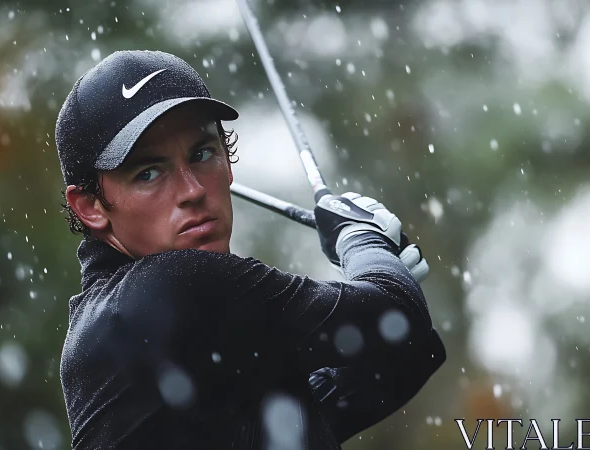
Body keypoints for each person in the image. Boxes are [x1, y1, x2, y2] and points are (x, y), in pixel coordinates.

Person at [55, 49, 446, 450]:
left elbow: (400, 358)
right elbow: (397, 319)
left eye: (201, 154)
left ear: (227, 160)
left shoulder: (123, 321)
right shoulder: (172, 287)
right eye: (148, 173)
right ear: (90, 206)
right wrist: (361, 241)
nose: (192, 190)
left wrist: (383, 287)